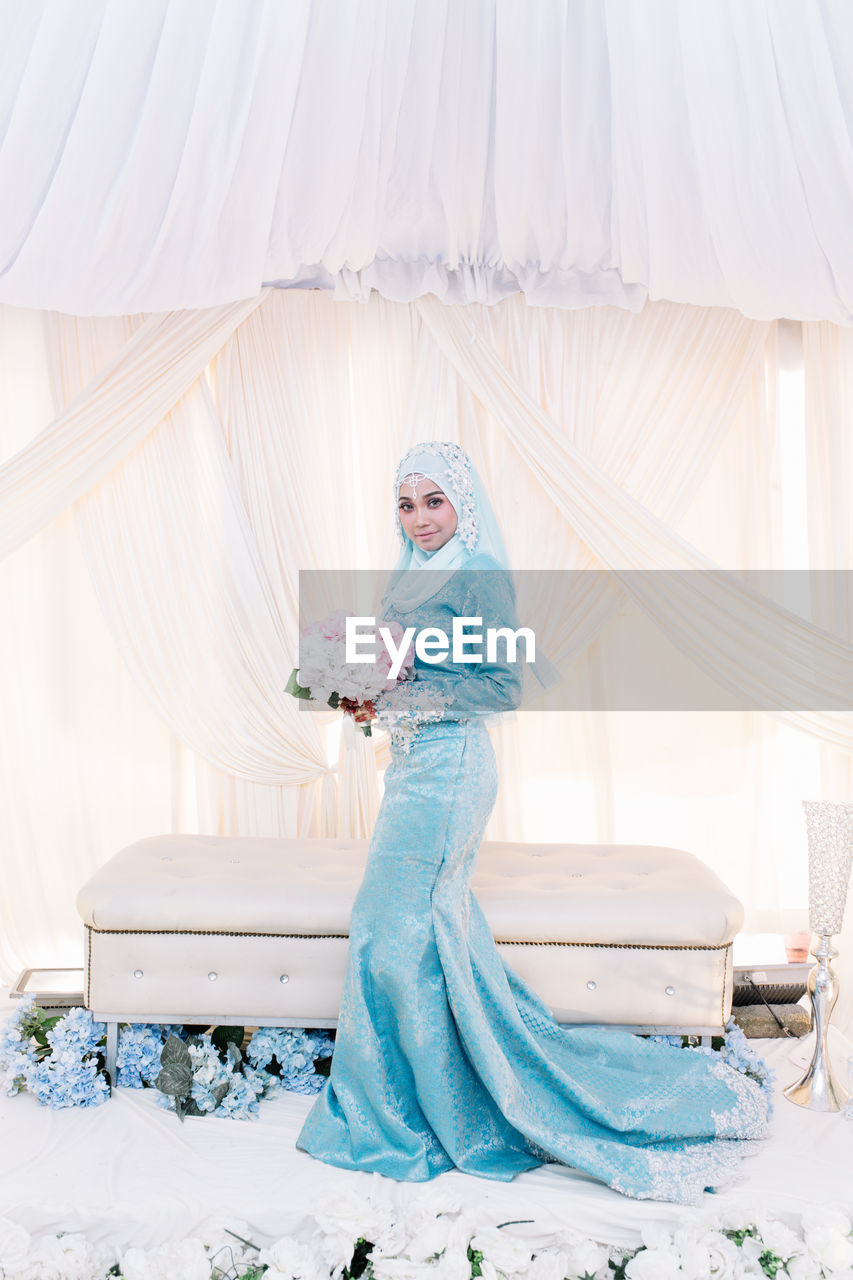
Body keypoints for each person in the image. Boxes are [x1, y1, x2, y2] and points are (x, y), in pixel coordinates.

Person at [296, 439, 768, 1204]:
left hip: (450, 774)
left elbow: (499, 691)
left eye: (433, 501)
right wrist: (359, 689)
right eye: (405, 505)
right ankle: (425, 1091)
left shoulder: (479, 576)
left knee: (392, 924)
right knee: (414, 929)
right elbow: (402, 665)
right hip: (413, 768)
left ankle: (414, 1107)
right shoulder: (412, 574)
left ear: (464, 503)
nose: (419, 519)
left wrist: (398, 698)